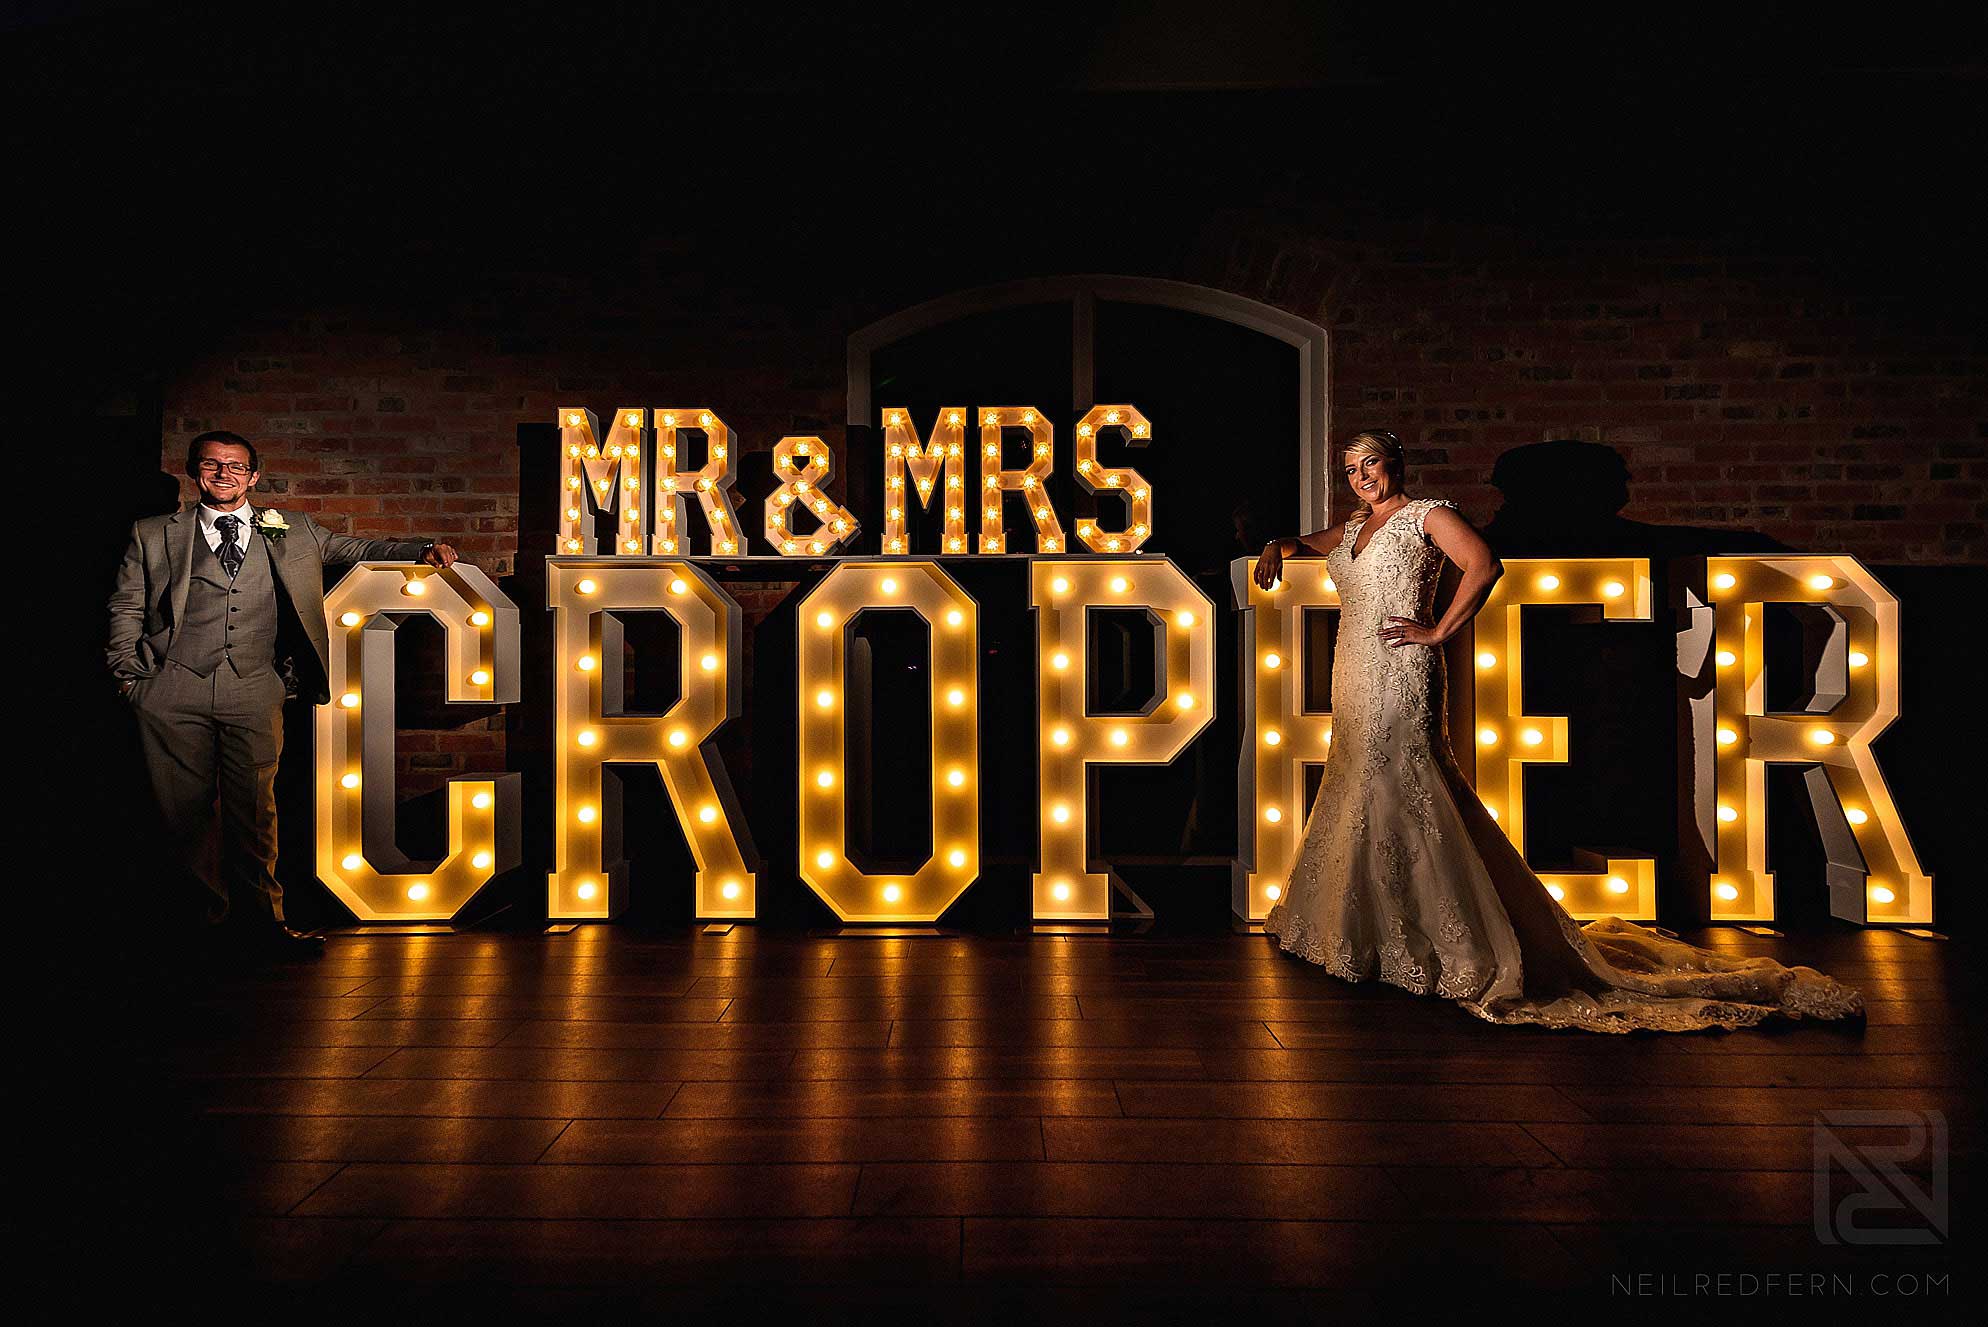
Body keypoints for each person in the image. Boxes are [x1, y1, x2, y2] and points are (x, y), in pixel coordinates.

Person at [1253, 430, 1862, 1031]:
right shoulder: (1356, 526)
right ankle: (1370, 929)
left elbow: (1484, 565)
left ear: (1397, 465)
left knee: (1406, 786)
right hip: (1352, 669)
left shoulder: (1427, 517)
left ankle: (1446, 937)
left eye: (1373, 466)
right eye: (1353, 470)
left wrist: (1438, 631)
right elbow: (1312, 540)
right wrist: (1279, 543)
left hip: (1402, 666)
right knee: (1360, 784)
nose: (1363, 479)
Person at [107, 431, 459, 959]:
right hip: (172, 686)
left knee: (256, 810)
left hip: (254, 686)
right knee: (183, 815)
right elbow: (126, 606)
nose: (224, 474)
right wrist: (131, 678)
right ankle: (201, 926)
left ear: (253, 476)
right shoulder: (154, 532)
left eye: (235, 467)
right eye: (212, 465)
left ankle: (263, 927)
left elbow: (358, 549)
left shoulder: (293, 529)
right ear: (193, 471)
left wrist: (421, 548)